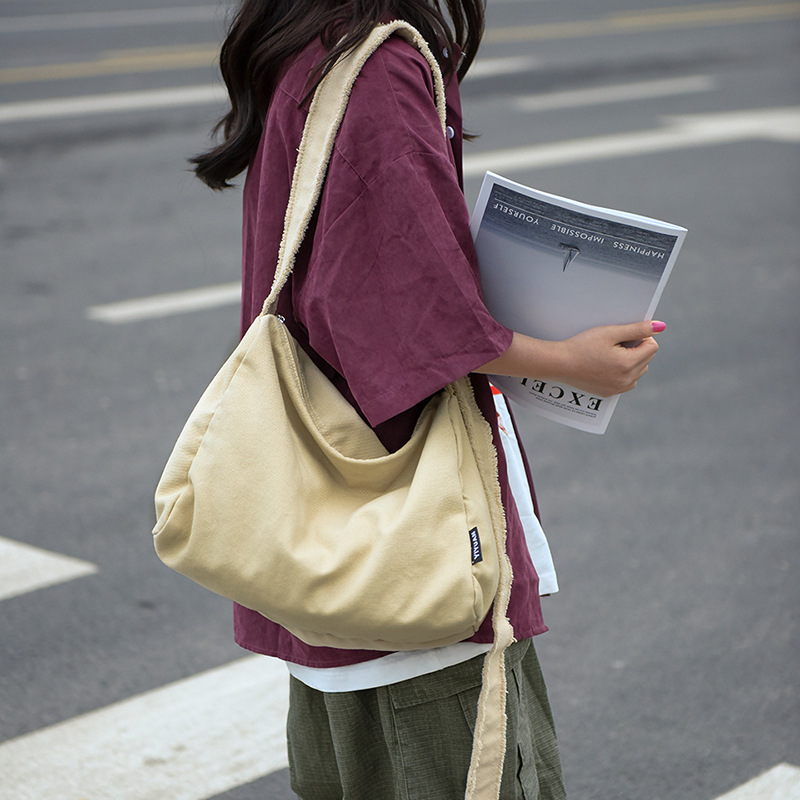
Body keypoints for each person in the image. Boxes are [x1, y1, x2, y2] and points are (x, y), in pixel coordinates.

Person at [191, 1, 663, 797]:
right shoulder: (379, 65)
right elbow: (403, 320)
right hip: (416, 566)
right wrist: (569, 361)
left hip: (331, 552)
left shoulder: (305, 39)